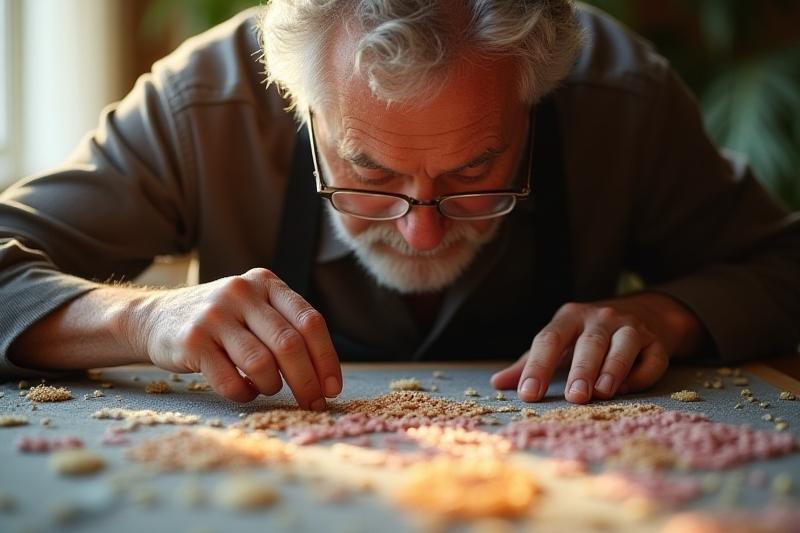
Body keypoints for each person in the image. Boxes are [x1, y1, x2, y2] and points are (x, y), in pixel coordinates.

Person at [1, 1, 798, 411]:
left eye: (475, 171)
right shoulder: (205, 105)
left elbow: (783, 264)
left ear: (539, 92)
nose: (421, 228)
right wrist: (144, 321)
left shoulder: (620, 98)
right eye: (368, 170)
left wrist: (669, 315)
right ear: (298, 103)